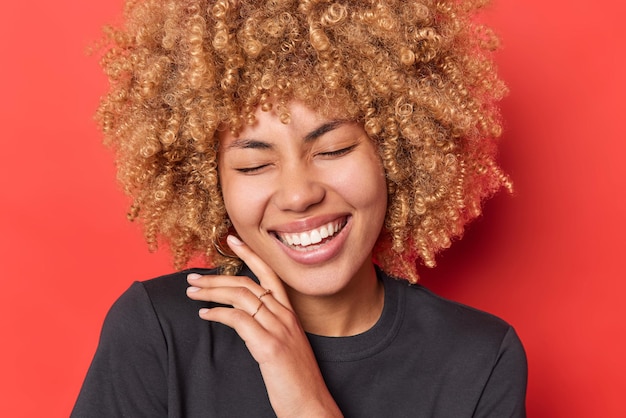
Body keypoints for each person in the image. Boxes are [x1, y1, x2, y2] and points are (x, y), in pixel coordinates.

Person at [73, 0, 527, 416]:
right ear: (210, 184)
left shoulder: (480, 360)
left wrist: (308, 403)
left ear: (397, 153)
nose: (298, 195)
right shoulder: (159, 332)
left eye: (332, 149)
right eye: (253, 164)